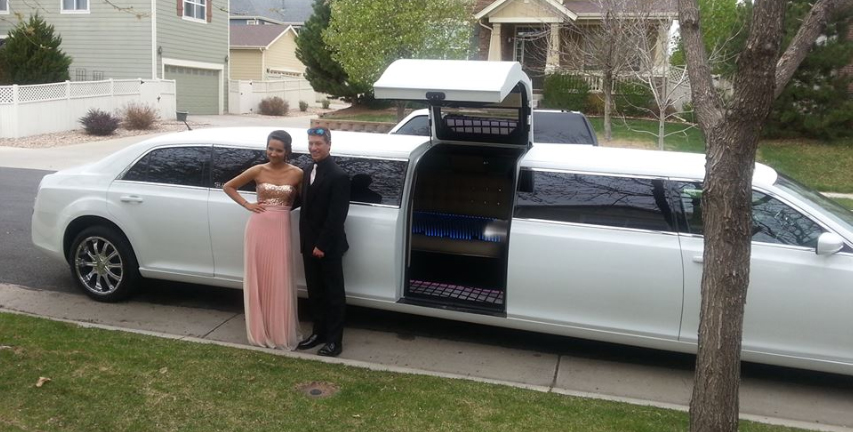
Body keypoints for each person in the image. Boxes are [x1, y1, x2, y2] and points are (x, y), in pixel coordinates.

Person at [223, 130, 302, 350]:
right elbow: (228, 186)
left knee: (279, 278)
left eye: (278, 149)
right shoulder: (258, 170)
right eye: (270, 148)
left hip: (281, 228)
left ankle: (279, 331)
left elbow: (306, 200)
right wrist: (247, 204)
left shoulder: (297, 174)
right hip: (258, 227)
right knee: (258, 277)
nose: (273, 153)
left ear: (287, 151)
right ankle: (260, 329)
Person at [296, 127, 350, 357]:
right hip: (308, 244)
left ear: (329, 144)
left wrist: (322, 245)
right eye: (311, 143)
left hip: (328, 246)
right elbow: (304, 205)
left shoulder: (339, 175)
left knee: (334, 295)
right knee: (315, 292)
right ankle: (318, 332)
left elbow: (337, 216)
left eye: (318, 143)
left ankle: (335, 341)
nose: (313, 148)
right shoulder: (307, 169)